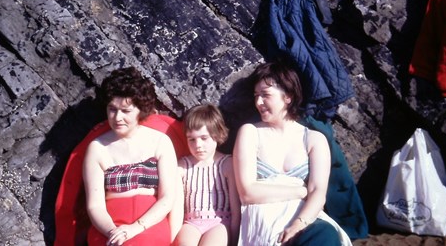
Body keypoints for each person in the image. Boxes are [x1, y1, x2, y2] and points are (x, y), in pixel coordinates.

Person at [233, 61, 352, 246]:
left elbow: (319, 193)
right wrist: (301, 191)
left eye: (265, 95)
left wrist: (298, 224)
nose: (258, 102)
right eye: (256, 95)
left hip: (303, 218)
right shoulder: (250, 133)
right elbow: (247, 193)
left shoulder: (314, 139)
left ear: (288, 97)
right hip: (265, 220)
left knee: (326, 235)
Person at [82, 67, 182, 246]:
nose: (117, 117)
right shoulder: (97, 148)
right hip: (108, 228)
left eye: (126, 111)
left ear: (141, 110)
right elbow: (94, 205)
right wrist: (113, 232)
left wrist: (135, 228)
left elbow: (168, 198)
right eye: (112, 109)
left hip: (149, 225)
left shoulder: (160, 141)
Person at [172, 104, 241, 246]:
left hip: (220, 222)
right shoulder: (182, 166)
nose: (198, 145)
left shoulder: (227, 164)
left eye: (204, 138)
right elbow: (177, 210)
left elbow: (236, 210)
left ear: (217, 135)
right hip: (191, 222)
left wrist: (234, 241)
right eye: (191, 139)